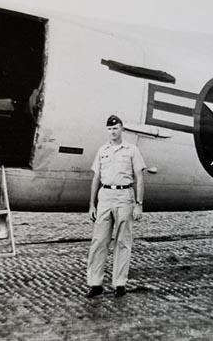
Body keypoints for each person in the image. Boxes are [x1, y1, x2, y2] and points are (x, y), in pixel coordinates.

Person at [85, 115, 146, 298]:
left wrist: (139, 204)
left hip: (124, 196)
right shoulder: (102, 150)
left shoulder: (132, 150)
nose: (113, 132)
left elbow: (140, 178)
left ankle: (120, 283)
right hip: (105, 196)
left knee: (123, 241)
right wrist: (92, 204)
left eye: (116, 128)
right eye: (110, 129)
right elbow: (96, 178)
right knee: (98, 241)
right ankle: (95, 284)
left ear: (122, 129)